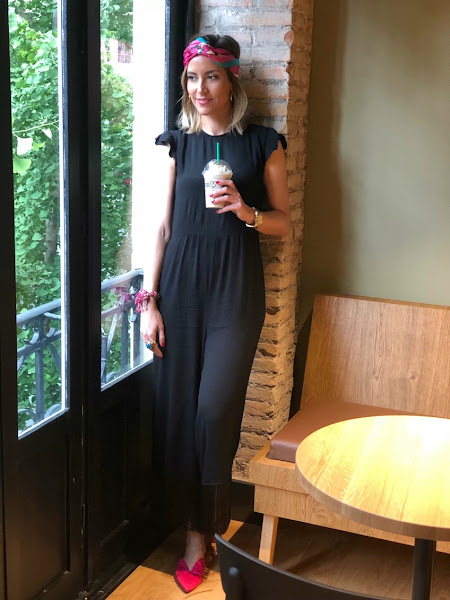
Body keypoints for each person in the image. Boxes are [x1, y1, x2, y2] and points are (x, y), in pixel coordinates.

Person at [138, 34, 290, 593]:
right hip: (179, 291)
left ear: (232, 81)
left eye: (212, 76)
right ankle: (194, 535)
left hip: (235, 293)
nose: (200, 88)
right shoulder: (177, 145)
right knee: (181, 414)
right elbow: (161, 227)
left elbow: (283, 222)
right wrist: (149, 302)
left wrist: (246, 211)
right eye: (192, 77)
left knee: (212, 412)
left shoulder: (262, 144)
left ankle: (210, 527)